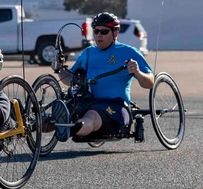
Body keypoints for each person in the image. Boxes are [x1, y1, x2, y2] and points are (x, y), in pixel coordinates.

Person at [55, 11, 154, 141]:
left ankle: (70, 129)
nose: (99, 35)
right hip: (88, 101)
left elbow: (150, 82)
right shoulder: (88, 53)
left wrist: (138, 72)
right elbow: (70, 80)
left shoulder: (128, 52)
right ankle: (31, 126)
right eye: (96, 32)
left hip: (116, 106)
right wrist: (59, 68)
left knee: (92, 116)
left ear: (115, 33)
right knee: (61, 113)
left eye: (104, 32)